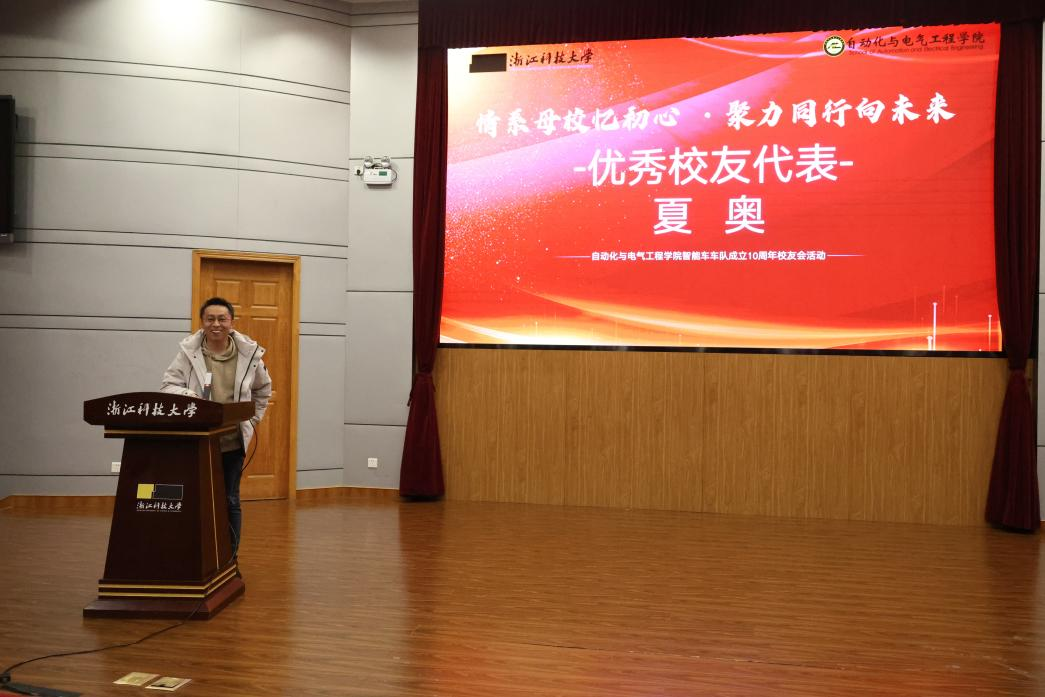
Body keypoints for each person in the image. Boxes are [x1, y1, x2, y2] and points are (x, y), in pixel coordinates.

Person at [161, 297, 272, 559]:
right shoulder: (188, 353)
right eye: (210, 319)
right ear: (202, 322)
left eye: (222, 319)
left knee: (230, 500)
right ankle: (197, 559)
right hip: (198, 441)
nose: (216, 324)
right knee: (196, 499)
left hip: (232, 441)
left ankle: (230, 560)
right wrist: (191, 395)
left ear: (231, 322)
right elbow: (168, 385)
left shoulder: (249, 354)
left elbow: (263, 390)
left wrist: (252, 420)